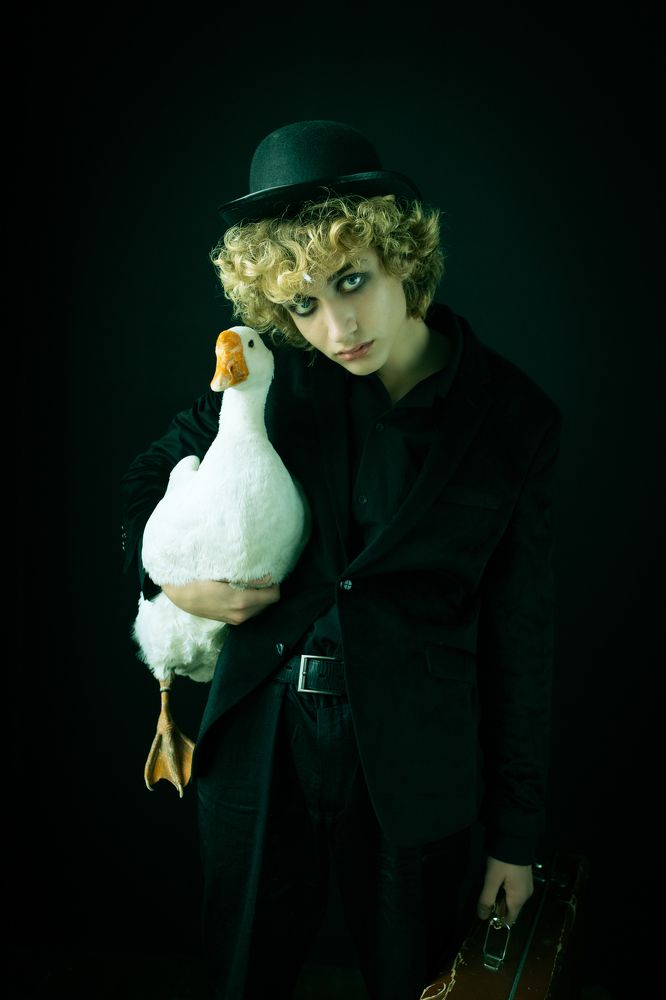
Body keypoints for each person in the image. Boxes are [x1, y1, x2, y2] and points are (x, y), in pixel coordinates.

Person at [120, 119, 563, 1000]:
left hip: (418, 763)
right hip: (259, 734)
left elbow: (522, 636)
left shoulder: (516, 420)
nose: (336, 327)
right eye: (303, 305)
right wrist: (172, 581)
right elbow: (147, 479)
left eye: (352, 281)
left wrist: (515, 838)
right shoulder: (274, 379)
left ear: (404, 257)